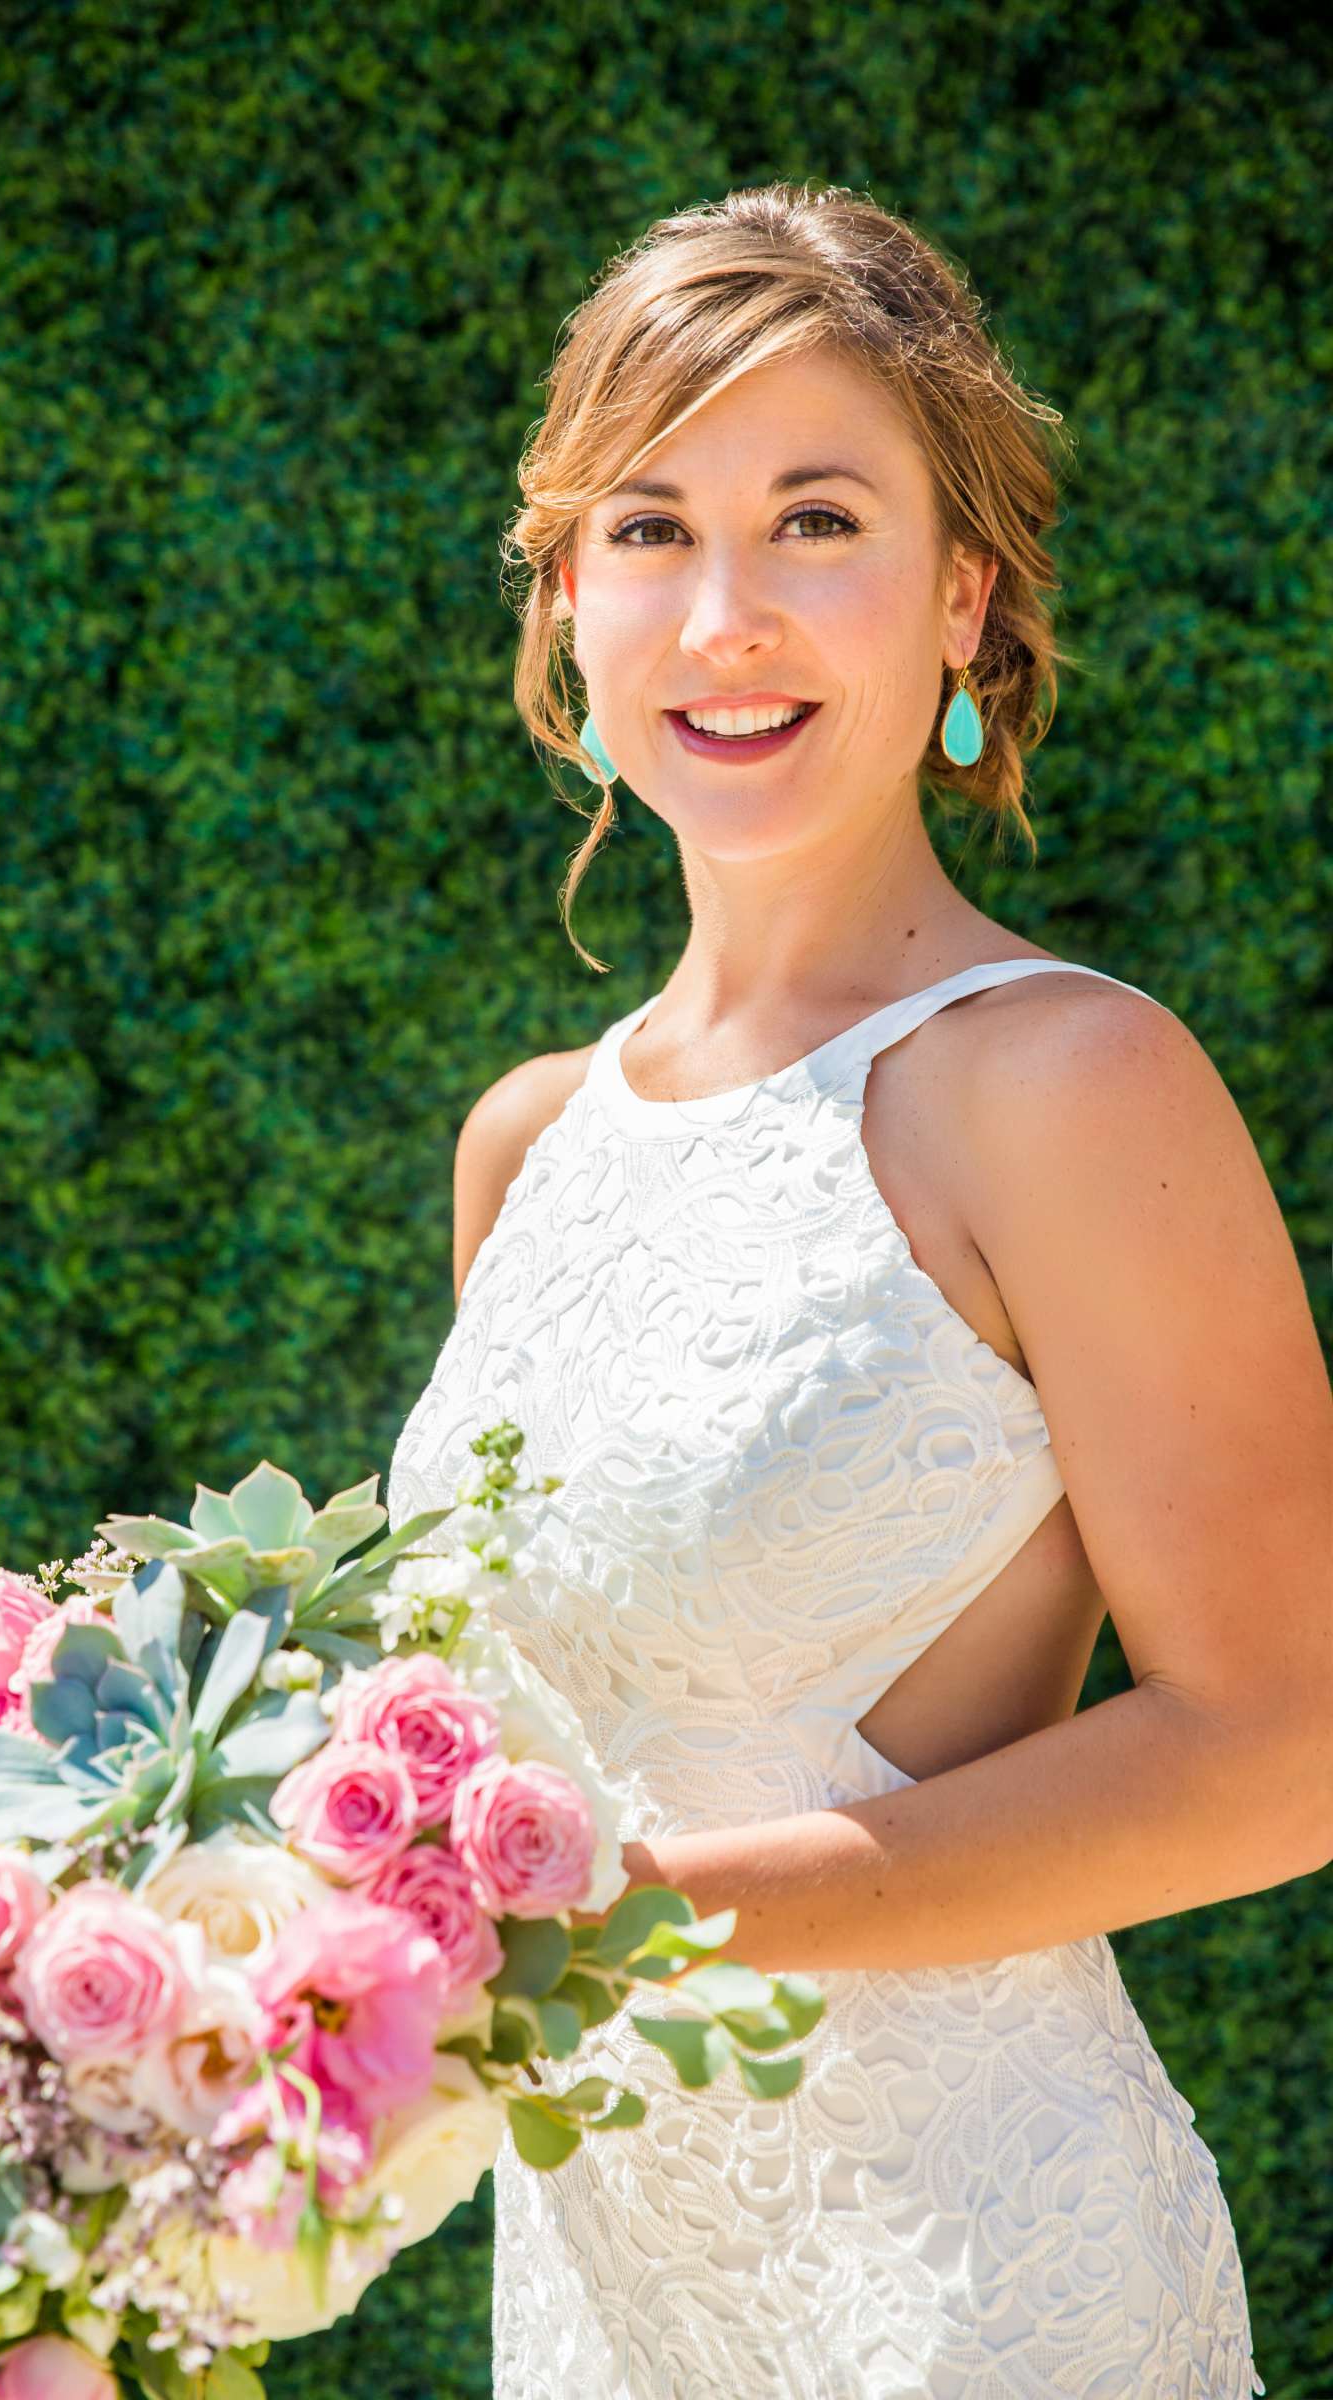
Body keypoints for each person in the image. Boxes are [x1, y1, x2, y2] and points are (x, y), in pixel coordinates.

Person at [387, 179, 1328, 2396]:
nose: (722, 616)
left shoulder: (1066, 1085)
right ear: (564, 604)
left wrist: (619, 1925)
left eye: (815, 520)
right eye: (645, 527)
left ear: (959, 602)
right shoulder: (526, 1144)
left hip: (971, 2288)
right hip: (607, 2285)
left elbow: (1280, 1745)